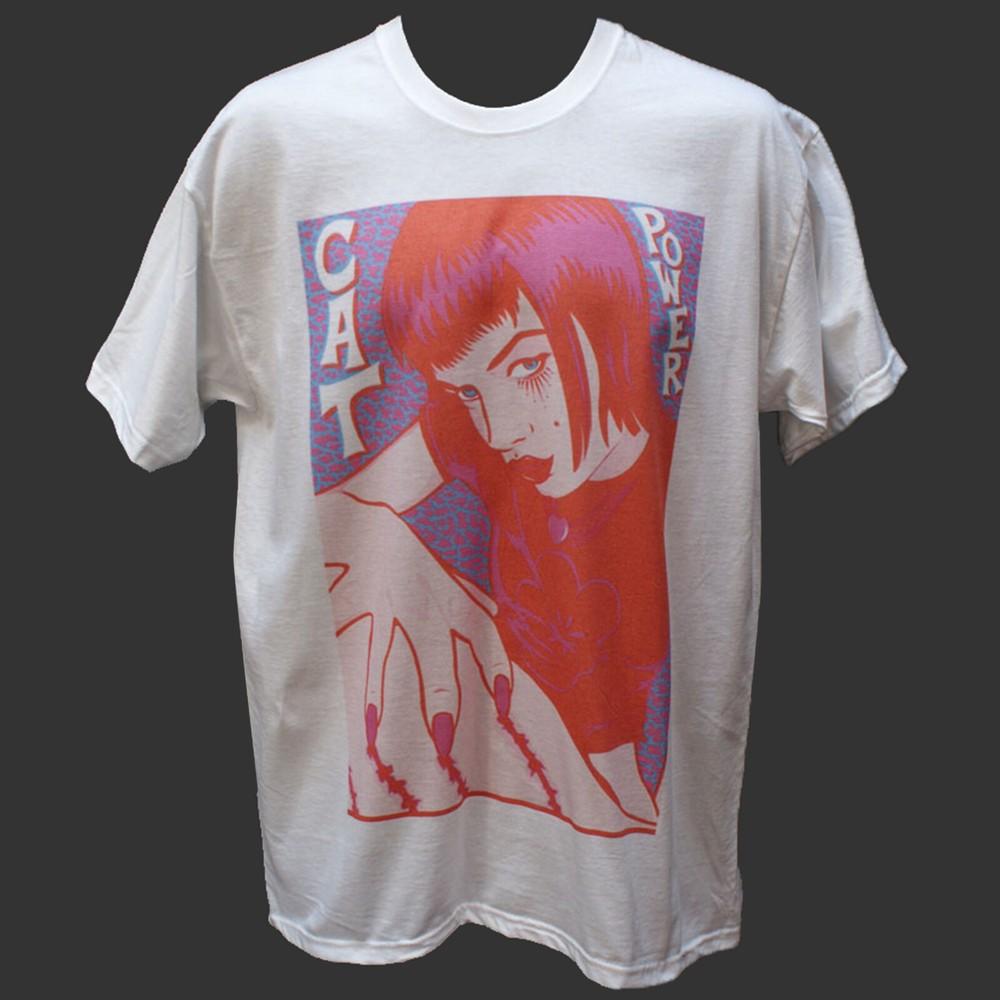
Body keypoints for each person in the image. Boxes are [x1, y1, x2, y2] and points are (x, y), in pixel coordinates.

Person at [314, 196, 679, 834]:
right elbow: (332, 513)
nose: (500, 430)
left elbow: (620, 798)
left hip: (578, 820)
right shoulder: (471, 428)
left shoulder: (672, 469)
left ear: (608, 325)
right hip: (391, 833)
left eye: (529, 365)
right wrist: (400, 551)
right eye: (468, 390)